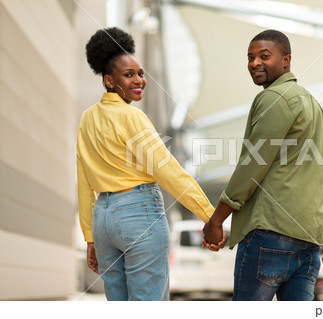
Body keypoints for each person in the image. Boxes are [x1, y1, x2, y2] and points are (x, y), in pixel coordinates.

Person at [77, 27, 225, 301]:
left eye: (141, 73)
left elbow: (84, 180)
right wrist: (209, 215)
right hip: (138, 214)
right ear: (109, 81)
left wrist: (90, 235)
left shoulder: (88, 118)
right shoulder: (132, 117)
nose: (139, 80)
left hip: (103, 220)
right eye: (128, 75)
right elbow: (167, 170)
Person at [202, 29, 323, 301]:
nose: (255, 63)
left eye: (264, 56)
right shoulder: (313, 105)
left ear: (286, 60)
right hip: (308, 240)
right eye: (250, 57)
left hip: (270, 231)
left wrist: (217, 219)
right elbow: (321, 174)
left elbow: (252, 166)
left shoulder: (273, 98)